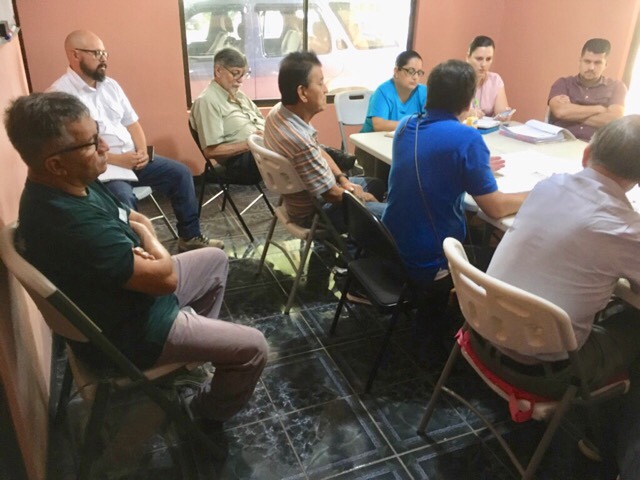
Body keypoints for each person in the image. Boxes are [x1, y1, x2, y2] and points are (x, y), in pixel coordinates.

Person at [4, 91, 268, 425]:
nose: (105, 147)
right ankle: (201, 413)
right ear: (55, 164)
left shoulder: (73, 182)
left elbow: (134, 218)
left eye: (98, 134)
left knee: (215, 260)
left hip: (135, 297)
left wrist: (146, 244)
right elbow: (165, 277)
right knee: (254, 348)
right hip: (135, 333)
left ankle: (187, 361)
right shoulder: (69, 222)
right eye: (92, 143)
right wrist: (150, 245)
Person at [473, 115, 640, 401]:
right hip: (543, 373)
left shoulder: (547, 186)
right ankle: (612, 425)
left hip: (482, 334)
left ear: (586, 154)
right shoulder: (626, 229)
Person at [382, 59, 526, 345]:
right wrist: (537, 193)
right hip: (431, 261)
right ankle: (478, 336)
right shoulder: (467, 137)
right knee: (505, 259)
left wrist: (474, 166)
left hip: (391, 244)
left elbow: (436, 159)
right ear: (468, 101)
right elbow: (495, 207)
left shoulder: (405, 125)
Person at [49, 30, 222, 252]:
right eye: (96, 53)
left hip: (133, 159)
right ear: (75, 55)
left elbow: (133, 123)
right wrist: (118, 160)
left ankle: (190, 237)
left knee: (180, 173)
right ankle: (138, 254)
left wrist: (141, 151)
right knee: (123, 197)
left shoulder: (110, 86)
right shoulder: (60, 96)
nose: (103, 59)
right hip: (103, 169)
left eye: (105, 53)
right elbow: (74, 150)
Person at [263, 51, 385, 232]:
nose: (326, 89)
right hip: (315, 213)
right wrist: (363, 197)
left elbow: (318, 150)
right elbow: (332, 195)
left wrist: (343, 179)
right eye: (320, 83)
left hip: (308, 200)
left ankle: (359, 240)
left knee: (376, 184)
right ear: (302, 92)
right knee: (391, 215)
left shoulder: (279, 114)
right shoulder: (298, 140)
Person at [189, 47, 265, 186]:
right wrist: (250, 143)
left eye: (244, 74)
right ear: (218, 71)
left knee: (297, 143)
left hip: (261, 151)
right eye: (235, 74)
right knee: (295, 153)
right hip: (241, 162)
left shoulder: (240, 96)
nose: (241, 80)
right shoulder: (207, 101)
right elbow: (211, 151)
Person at [359, 50, 427, 182]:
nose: (415, 77)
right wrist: (413, 123)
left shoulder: (422, 91)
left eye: (419, 73)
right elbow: (379, 125)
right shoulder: (383, 91)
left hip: (407, 145)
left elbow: (431, 119)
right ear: (396, 71)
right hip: (373, 149)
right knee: (387, 180)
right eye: (411, 71)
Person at [548, 38, 627, 141]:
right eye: (587, 61)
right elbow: (560, 111)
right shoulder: (563, 83)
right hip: (561, 142)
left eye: (597, 63)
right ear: (580, 61)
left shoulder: (617, 87)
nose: (591, 67)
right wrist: (599, 109)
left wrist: (572, 113)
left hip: (595, 146)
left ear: (605, 65)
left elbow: (614, 121)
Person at [465, 35, 514, 121]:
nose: (483, 64)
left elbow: (501, 113)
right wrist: (467, 113)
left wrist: (504, 116)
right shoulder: (456, 78)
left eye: (488, 59)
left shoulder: (495, 80)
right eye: (479, 59)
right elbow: (450, 113)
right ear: (468, 57)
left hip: (487, 128)